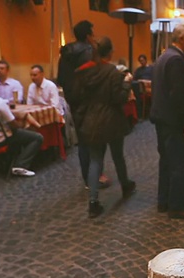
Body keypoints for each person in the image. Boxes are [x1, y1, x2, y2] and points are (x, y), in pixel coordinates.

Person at [69, 37, 136, 218]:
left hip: (91, 120)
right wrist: (127, 82)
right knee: (117, 155)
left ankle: (93, 201)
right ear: (110, 52)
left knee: (95, 160)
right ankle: (125, 184)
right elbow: (119, 98)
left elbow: (77, 96)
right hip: (111, 120)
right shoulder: (112, 72)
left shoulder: (84, 72)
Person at [150, 24, 184, 220]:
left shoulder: (163, 57)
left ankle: (164, 201)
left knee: (166, 163)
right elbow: (180, 95)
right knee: (180, 164)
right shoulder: (176, 60)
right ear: (182, 39)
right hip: (172, 121)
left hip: (162, 119)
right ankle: (178, 206)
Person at [57, 20, 110, 189]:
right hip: (90, 102)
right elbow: (95, 77)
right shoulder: (89, 51)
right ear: (88, 35)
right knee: (97, 139)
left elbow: (61, 79)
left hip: (74, 101)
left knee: (83, 140)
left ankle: (87, 178)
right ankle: (96, 175)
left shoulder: (65, 53)